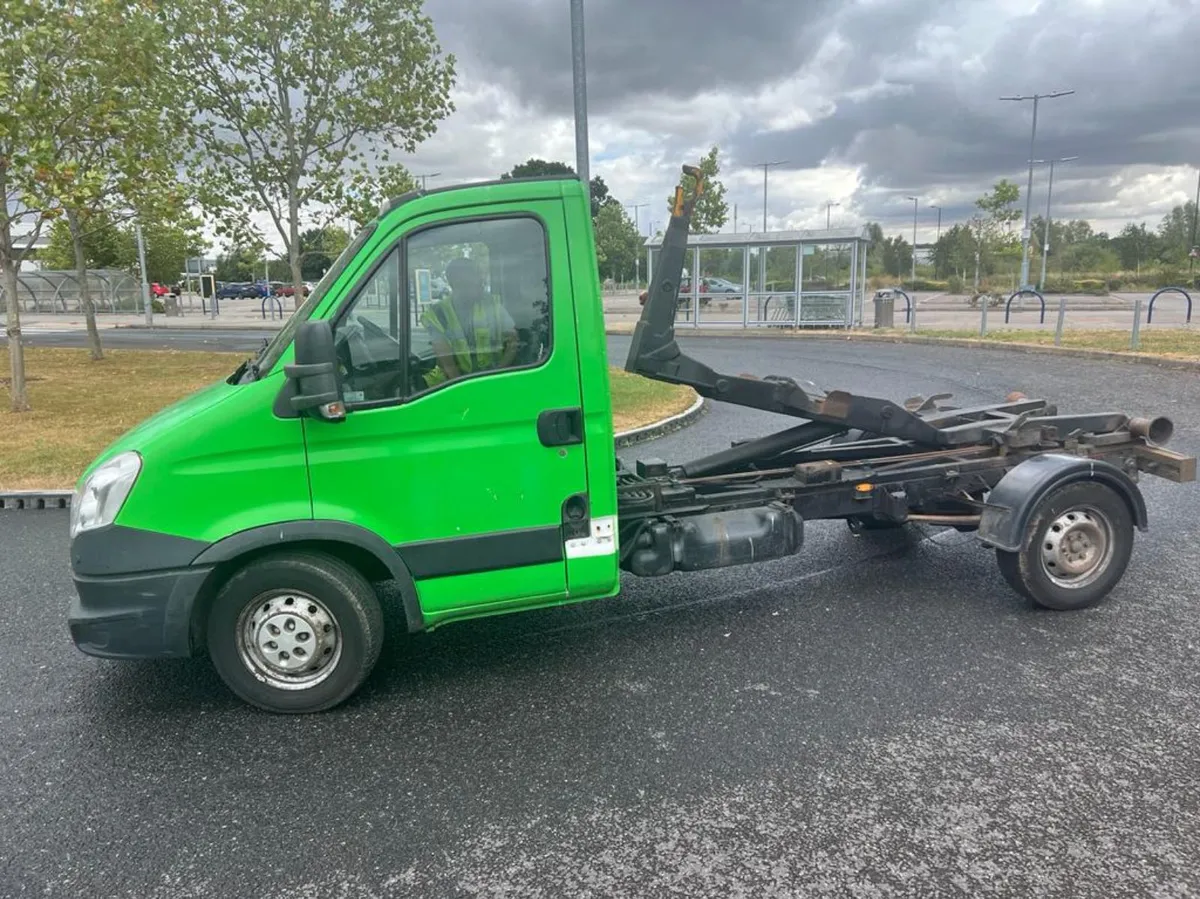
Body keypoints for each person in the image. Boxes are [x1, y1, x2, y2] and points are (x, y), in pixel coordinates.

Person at [421, 256, 519, 387]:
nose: (480, 285)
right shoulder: (438, 314)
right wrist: (466, 392)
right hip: (454, 386)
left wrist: (496, 378)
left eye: (479, 281)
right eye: (474, 282)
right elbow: (448, 365)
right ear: (455, 283)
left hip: (494, 381)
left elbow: (513, 344)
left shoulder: (492, 304)